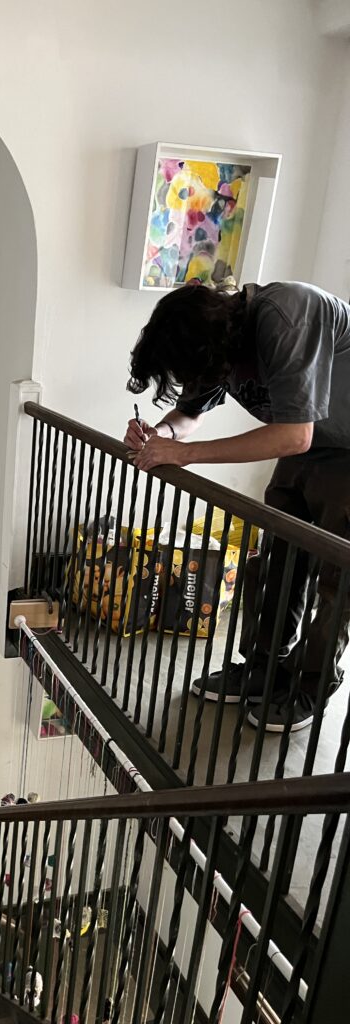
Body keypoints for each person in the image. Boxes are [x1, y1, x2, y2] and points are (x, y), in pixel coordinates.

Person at [124, 280, 350, 732]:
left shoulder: (287, 317)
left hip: (337, 448)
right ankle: (263, 669)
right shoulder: (218, 337)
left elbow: (293, 434)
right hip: (311, 445)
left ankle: (309, 687)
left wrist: (184, 454)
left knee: (337, 580)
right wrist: (161, 437)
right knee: (278, 562)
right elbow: (189, 417)